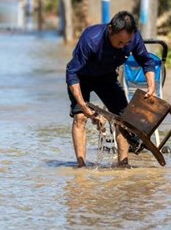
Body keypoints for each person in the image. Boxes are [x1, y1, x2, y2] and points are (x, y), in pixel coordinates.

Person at [66, 11, 156, 167]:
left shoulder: (133, 38)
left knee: (123, 119)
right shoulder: (91, 40)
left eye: (127, 43)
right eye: (120, 43)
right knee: (80, 118)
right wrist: (82, 105)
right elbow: (72, 73)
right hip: (82, 77)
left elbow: (147, 62)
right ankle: (81, 166)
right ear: (110, 30)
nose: (123, 46)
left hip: (106, 77)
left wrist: (151, 86)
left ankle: (123, 164)